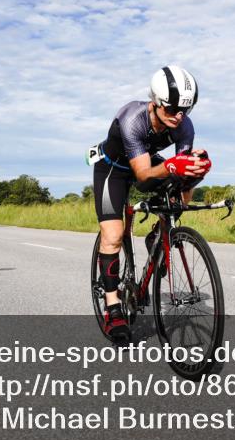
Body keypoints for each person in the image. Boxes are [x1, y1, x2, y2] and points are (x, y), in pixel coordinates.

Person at [90, 66, 211, 342]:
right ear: (155, 102)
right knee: (113, 235)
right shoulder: (132, 118)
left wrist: (192, 172)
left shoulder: (183, 126)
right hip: (113, 170)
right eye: (172, 109)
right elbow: (143, 174)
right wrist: (171, 165)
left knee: (180, 186)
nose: (179, 116)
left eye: (186, 110)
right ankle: (112, 307)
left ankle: (159, 235)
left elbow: (179, 174)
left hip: (145, 163)